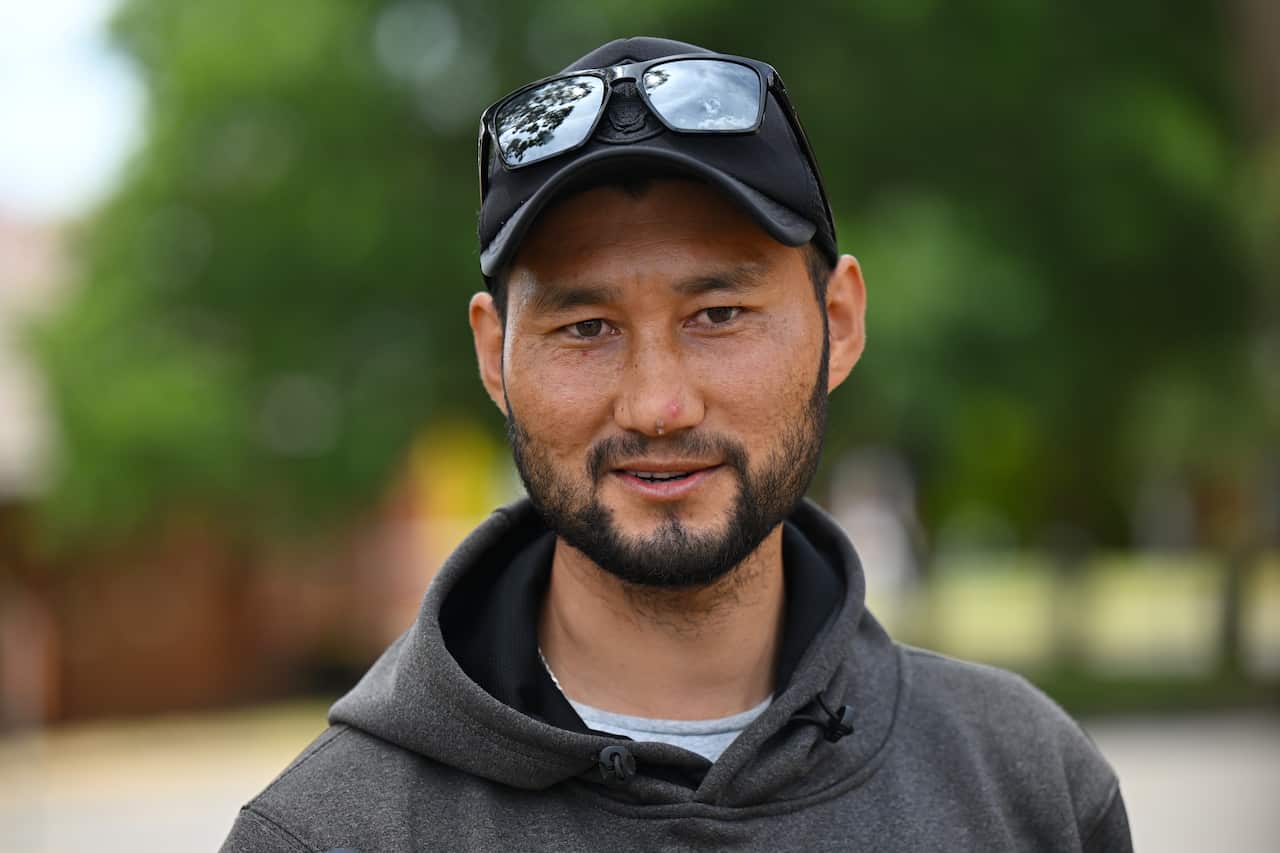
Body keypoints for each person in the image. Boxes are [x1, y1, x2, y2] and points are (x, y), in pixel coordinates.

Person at [221, 36, 1131, 852]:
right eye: (585, 327)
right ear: (493, 355)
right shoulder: (323, 834)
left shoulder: (1029, 787)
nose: (658, 404)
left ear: (839, 322)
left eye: (719, 314)